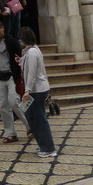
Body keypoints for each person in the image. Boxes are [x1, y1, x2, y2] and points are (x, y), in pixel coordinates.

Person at [0, 19, 28, 143]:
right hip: (0, 77)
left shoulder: (12, 41)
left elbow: (19, 58)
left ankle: (30, 126)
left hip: (11, 76)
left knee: (14, 102)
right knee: (3, 106)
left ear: (3, 28)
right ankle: (11, 133)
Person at [19, 27, 57, 158]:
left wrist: (27, 90)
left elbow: (32, 74)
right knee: (33, 118)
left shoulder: (32, 53)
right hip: (36, 89)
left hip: (36, 90)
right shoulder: (30, 52)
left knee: (39, 119)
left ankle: (48, 148)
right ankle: (44, 145)